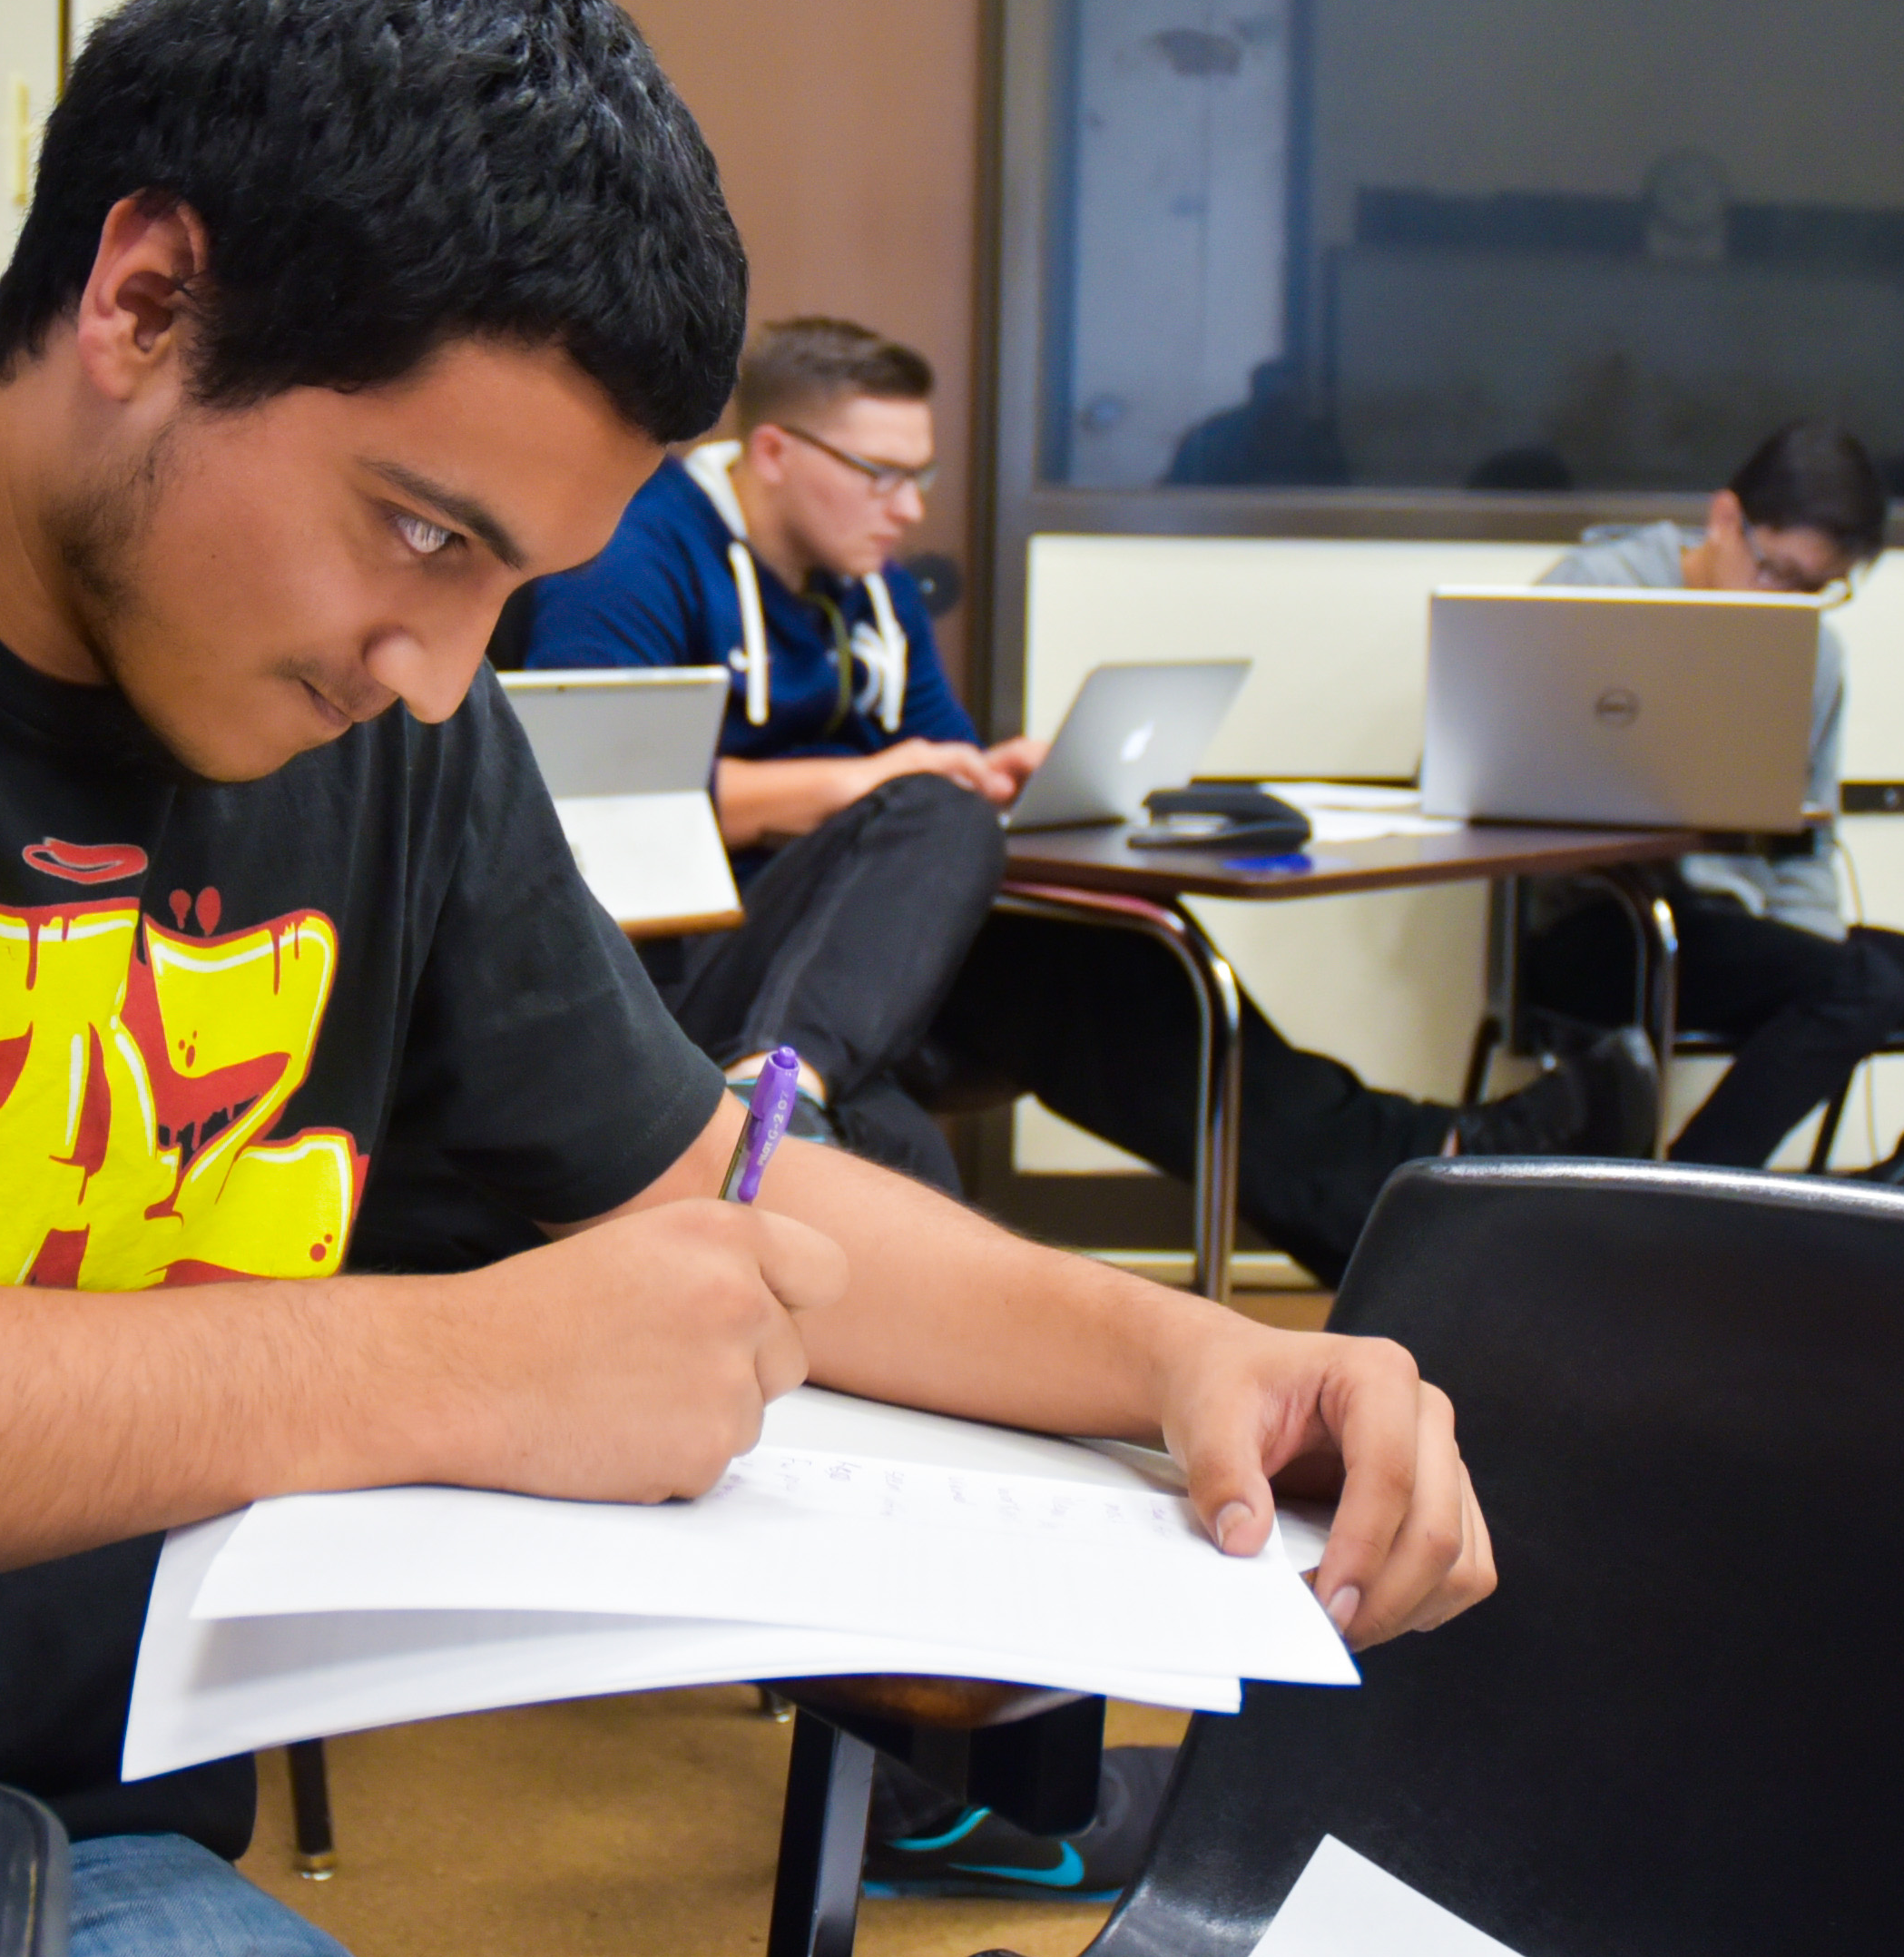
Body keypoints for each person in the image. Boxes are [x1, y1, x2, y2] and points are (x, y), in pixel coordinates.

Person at [0, 0, 1494, 1957]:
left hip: (70, 1868)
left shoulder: (385, 737)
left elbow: (717, 1177)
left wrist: (1179, 1353)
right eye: (417, 529)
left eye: (507, 581)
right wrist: (452, 1360)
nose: (433, 664)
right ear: (141, 298)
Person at [520, 315, 1660, 1280]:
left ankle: (1423, 1181)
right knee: (901, 1124)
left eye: (921, 474)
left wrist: (993, 776)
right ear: (770, 449)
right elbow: (598, 805)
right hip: (697, 961)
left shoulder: (872, 584)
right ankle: (776, 1092)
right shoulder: (640, 547)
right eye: (881, 473)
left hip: (870, 960)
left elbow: (939, 770)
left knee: (1122, 969)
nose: (910, 505)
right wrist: (876, 782)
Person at [1528, 421, 1904, 1168]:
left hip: (1744, 927)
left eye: (1816, 589)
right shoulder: (1596, 592)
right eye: (1776, 572)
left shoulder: (1813, 653)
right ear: (1727, 520)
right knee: (1860, 989)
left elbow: (1807, 843)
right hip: (1604, 926)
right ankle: (1678, 1205)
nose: (1790, 601)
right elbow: (1490, 771)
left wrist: (1803, 956)